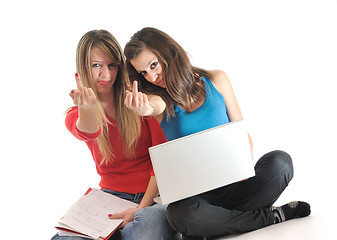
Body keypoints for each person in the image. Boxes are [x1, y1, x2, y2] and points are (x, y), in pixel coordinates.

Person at [123, 27, 311, 239]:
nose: (152, 76)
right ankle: (270, 217)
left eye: (153, 65)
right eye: (143, 73)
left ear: (168, 52)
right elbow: (152, 106)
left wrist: (241, 169)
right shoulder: (160, 100)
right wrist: (143, 109)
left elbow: (242, 132)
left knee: (281, 162)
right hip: (200, 199)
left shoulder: (217, 79)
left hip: (237, 185)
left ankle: (215, 223)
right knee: (178, 215)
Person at [51, 29, 178, 240]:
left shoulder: (137, 102)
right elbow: (89, 131)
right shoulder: (77, 113)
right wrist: (88, 108)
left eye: (112, 65)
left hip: (153, 197)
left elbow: (161, 160)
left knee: (144, 230)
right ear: (83, 67)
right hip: (110, 198)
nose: (106, 74)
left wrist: (140, 208)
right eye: (96, 65)